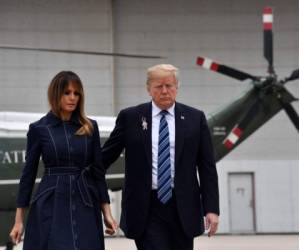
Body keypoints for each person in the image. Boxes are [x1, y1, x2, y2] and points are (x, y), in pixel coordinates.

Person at [102, 64, 219, 250]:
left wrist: (211, 208)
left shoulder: (194, 118)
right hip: (146, 207)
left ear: (177, 87)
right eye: (158, 86)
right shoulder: (131, 117)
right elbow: (104, 158)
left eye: (169, 85)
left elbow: (206, 167)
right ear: (148, 88)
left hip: (183, 207)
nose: (164, 91)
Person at [9, 71, 118, 250]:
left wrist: (106, 212)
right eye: (67, 93)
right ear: (55, 94)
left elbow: (98, 172)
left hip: (85, 202)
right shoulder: (39, 129)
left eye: (76, 93)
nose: (72, 98)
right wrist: (18, 220)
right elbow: (28, 175)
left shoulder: (90, 127)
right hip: (51, 202)